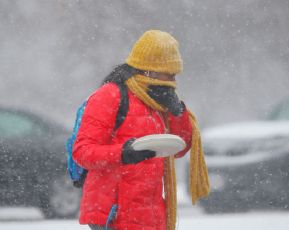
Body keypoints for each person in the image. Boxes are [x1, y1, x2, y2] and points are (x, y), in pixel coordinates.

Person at [72, 30, 210, 230]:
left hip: (149, 213)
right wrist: (124, 153)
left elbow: (179, 149)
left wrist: (178, 113)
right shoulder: (110, 96)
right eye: (169, 72)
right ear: (149, 70)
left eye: (175, 73)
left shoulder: (159, 102)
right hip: (113, 214)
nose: (173, 79)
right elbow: (82, 152)